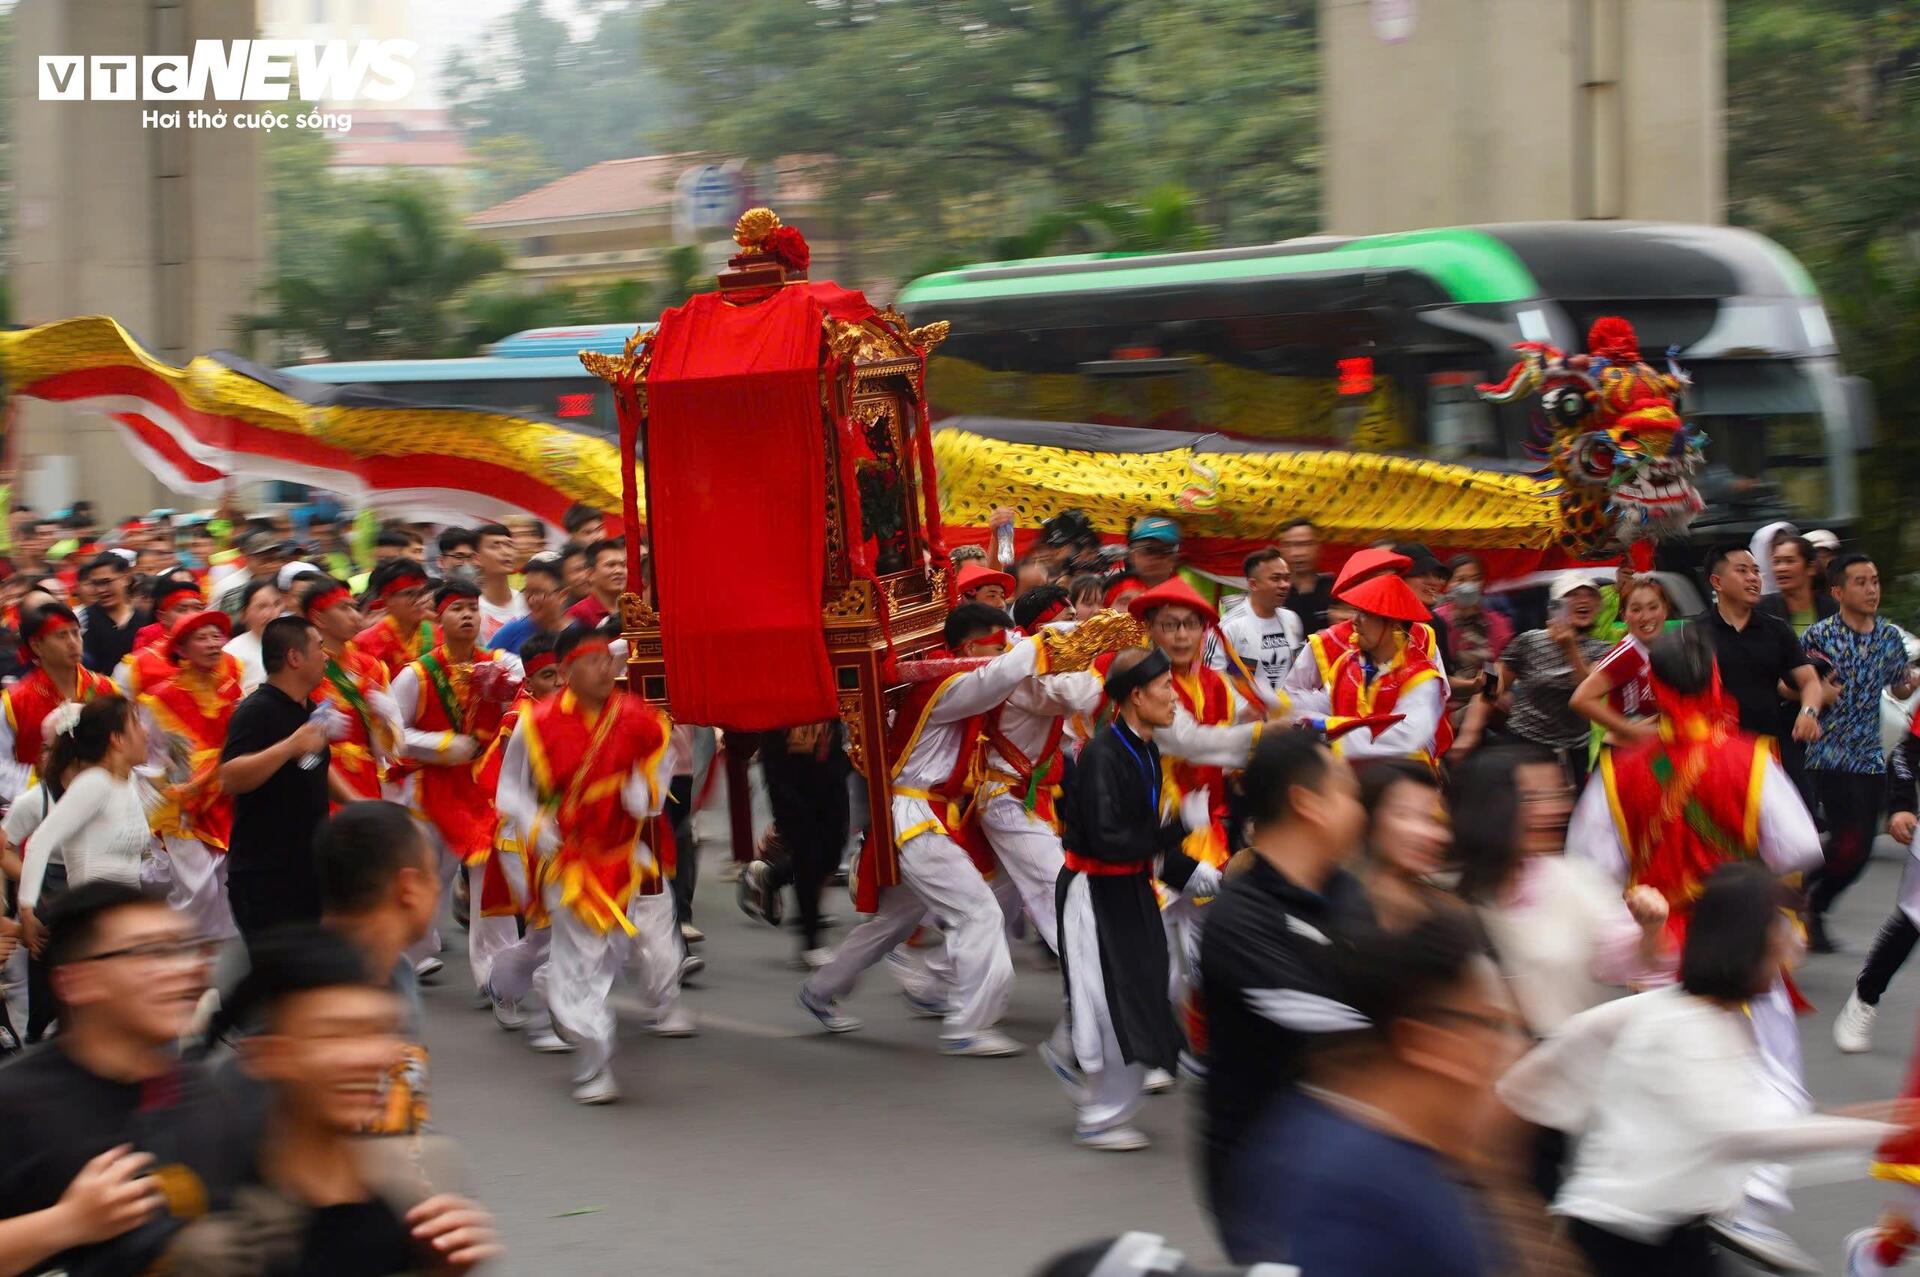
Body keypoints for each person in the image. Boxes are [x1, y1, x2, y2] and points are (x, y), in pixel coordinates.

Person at [1500, 864, 1901, 1276]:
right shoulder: (1687, 1028)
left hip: (1668, 1233)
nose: (1790, 947)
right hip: (1625, 1242)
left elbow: (1541, 1069)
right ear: (1747, 946)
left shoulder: (1679, 1012)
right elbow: (1742, 1133)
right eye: (1778, 935)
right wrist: (1882, 1128)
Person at [798, 605, 1048, 1054]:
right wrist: (1041, 643)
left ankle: (819, 989)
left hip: (924, 817)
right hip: (917, 820)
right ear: (970, 648)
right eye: (998, 642)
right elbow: (999, 677)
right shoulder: (950, 686)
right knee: (980, 914)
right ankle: (969, 1025)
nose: (1005, 648)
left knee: (893, 922)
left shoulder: (946, 682)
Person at [1222, 905, 1520, 1273]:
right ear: (1426, 1041)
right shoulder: (1358, 1193)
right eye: (1494, 1026)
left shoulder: (1345, 1139)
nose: (1512, 1049)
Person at [0, 883, 257, 1276]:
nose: (186, 970)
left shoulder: (206, 1092)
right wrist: (66, 1224)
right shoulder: (15, 1102)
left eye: (187, 949)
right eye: (152, 953)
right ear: (75, 981)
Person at [216, 925, 501, 1275]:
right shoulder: (228, 1238)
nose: (368, 1056)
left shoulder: (428, 1188)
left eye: (380, 1030)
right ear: (269, 1055)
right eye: (335, 1034)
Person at [495, 624, 691, 1104]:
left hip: (630, 856)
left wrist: (644, 791)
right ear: (564, 672)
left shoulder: (638, 717)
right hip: (572, 859)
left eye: (608, 658)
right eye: (592, 660)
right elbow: (509, 790)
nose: (606, 667)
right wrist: (534, 824)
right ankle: (594, 1061)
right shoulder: (536, 723)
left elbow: (661, 765)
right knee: (580, 963)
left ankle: (571, 992)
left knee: (626, 953)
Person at [1048, 647, 1220, 1151]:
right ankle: (1098, 1116)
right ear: (1136, 696)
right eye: (1165, 686)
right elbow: (1109, 840)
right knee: (1111, 1004)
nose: (1174, 695)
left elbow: (1143, 835)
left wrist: (1200, 874)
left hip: (1128, 888)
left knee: (1145, 989)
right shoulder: (1104, 754)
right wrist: (1180, 828)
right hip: (1095, 891)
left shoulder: (1144, 749)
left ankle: (1075, 1063)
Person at [1200, 730, 1372, 1233]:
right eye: (1348, 793)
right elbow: (1334, 1032)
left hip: (1347, 1168)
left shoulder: (1347, 892)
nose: (1360, 809)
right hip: (1273, 1183)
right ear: (1307, 804)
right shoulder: (1240, 919)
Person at [1454, 745, 1668, 1039]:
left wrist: (1650, 931)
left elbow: (1627, 960)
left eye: (1558, 793)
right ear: (1486, 805)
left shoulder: (1576, 881)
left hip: (1573, 1071)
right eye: (1531, 798)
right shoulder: (1449, 900)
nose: (1556, 809)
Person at [391, 580, 520, 987]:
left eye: (472, 609)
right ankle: (404, 957)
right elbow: (393, 733)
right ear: (439, 617)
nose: (467, 615)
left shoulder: (499, 663)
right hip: (431, 790)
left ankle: (498, 972)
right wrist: (442, 744)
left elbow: (522, 707)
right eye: (457, 608)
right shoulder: (417, 674)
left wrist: (509, 693)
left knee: (488, 875)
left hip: (482, 788)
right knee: (431, 879)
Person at [1804, 554, 1916, 947]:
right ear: (1837, 591)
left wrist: (1911, 681)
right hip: (1828, 754)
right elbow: (1798, 683)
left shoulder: (1887, 637)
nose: (1871, 589)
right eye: (1861, 582)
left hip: (1870, 756)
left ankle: (1810, 899)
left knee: (1862, 848)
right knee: (1849, 841)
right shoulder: (1819, 636)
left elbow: (1898, 685)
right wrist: (1817, 696)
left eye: (1875, 580)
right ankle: (1806, 899)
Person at [315, 800, 441, 1136]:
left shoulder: (396, 973)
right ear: (408, 887)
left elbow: (400, 1135)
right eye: (433, 873)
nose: (440, 887)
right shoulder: (307, 1002)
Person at [218, 615, 336, 943]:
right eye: (319, 647)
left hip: (308, 869)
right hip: (266, 876)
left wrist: (360, 804)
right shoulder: (257, 710)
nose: (326, 656)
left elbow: (316, 766)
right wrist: (289, 746)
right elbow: (230, 777)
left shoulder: (307, 708)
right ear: (294, 658)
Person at [139, 606, 244, 940]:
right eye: (202, 638)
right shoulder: (160, 698)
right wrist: (188, 787)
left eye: (217, 636)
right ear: (181, 650)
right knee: (197, 888)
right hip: (182, 803)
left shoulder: (231, 689)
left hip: (226, 796)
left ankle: (219, 963)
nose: (214, 644)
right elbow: (160, 754)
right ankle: (169, 944)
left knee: (227, 882)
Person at [15, 697, 153, 952]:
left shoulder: (129, 781)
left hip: (124, 924)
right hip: (94, 926)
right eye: (136, 723)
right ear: (117, 739)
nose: (145, 731)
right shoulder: (94, 784)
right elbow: (40, 841)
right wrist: (27, 910)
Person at [1286, 554, 1449, 764]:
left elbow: (1415, 729)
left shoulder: (1422, 659)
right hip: (1347, 774)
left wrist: (1328, 729)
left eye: (1393, 580)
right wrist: (1282, 708)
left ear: (1394, 623)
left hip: (1402, 776)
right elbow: (1318, 699)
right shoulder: (1340, 654)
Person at [1688, 543, 1822, 755]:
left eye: (1756, 571)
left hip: (1769, 751)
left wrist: (1808, 712)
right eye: (1742, 571)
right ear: (1717, 582)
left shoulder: (1777, 630)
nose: (1753, 578)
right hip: (1715, 752)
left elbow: (1810, 682)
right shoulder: (1695, 633)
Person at [1496, 572, 1609, 785]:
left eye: (1590, 595)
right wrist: (1489, 691)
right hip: (1524, 743)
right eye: (1573, 595)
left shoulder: (1602, 650)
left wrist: (1570, 647)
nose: (1583, 600)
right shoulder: (1529, 641)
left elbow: (1589, 691)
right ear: (1555, 605)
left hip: (1573, 750)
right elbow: (1495, 676)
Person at [0, 604, 116, 803]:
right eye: (62, 636)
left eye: (76, 633)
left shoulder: (107, 689)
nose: (73, 642)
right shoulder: (15, 701)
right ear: (37, 646)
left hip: (104, 803)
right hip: (44, 807)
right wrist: (42, 787)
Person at [299, 576, 399, 803]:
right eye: (344, 608)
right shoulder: (301, 667)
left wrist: (384, 723)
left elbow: (390, 749)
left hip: (367, 779)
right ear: (318, 617)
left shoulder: (372, 667)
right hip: (320, 780)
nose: (355, 616)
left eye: (355, 608)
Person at [1570, 574, 1675, 751]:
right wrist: (1629, 729)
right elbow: (1580, 699)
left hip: (1654, 753)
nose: (1646, 617)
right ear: (1624, 616)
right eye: (1636, 609)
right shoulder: (1626, 653)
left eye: (1653, 607)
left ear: (1665, 610)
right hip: (1623, 756)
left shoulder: (1669, 648)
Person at [1351, 760, 1451, 932]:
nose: (1429, 833)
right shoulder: (1340, 903)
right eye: (1405, 815)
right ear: (1369, 817)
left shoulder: (1450, 913)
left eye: (1435, 821)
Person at [1207, 547, 1304, 693]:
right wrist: (1246, 707)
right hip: (1243, 714)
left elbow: (1299, 673)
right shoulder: (1228, 627)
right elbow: (1210, 680)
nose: (1284, 585)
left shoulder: (1292, 620)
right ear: (1253, 584)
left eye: (1287, 578)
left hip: (1287, 714)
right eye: (1276, 578)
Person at [113, 577, 208, 698]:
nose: (192, 615)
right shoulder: (138, 661)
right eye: (182, 609)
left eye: (198, 609)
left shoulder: (217, 650)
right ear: (162, 617)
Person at [354, 559, 437, 682]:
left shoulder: (438, 635)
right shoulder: (365, 643)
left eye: (421, 593)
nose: (419, 601)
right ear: (387, 598)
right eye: (410, 594)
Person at [485, 552, 566, 655]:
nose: (531, 600)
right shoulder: (511, 631)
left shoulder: (578, 633)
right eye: (527, 592)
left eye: (539, 593)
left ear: (562, 595)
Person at [1761, 534, 1837, 639]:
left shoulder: (1834, 611)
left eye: (1790, 561)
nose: (1781, 568)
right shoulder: (1761, 611)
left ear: (1811, 568)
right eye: (1776, 562)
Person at [77, 552, 140, 676]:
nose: (101, 590)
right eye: (96, 584)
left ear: (125, 578)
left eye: (106, 582)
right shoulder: (83, 619)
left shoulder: (145, 617)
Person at [223, 577, 284, 694]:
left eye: (277, 604)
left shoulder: (294, 640)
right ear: (244, 614)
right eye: (262, 606)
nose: (273, 614)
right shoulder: (231, 653)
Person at [470, 522, 524, 644]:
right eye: (495, 546)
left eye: (509, 545)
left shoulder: (527, 602)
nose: (506, 552)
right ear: (476, 559)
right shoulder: (472, 608)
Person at [1278, 518, 1332, 631]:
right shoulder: (1274, 593)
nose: (1297, 553)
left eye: (1305, 544)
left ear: (1319, 547)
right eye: (1289, 545)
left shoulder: (1334, 589)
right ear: (1281, 549)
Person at [565, 538, 626, 628]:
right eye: (611, 565)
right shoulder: (577, 615)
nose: (619, 571)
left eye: (623, 565)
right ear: (590, 574)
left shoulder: (632, 610)